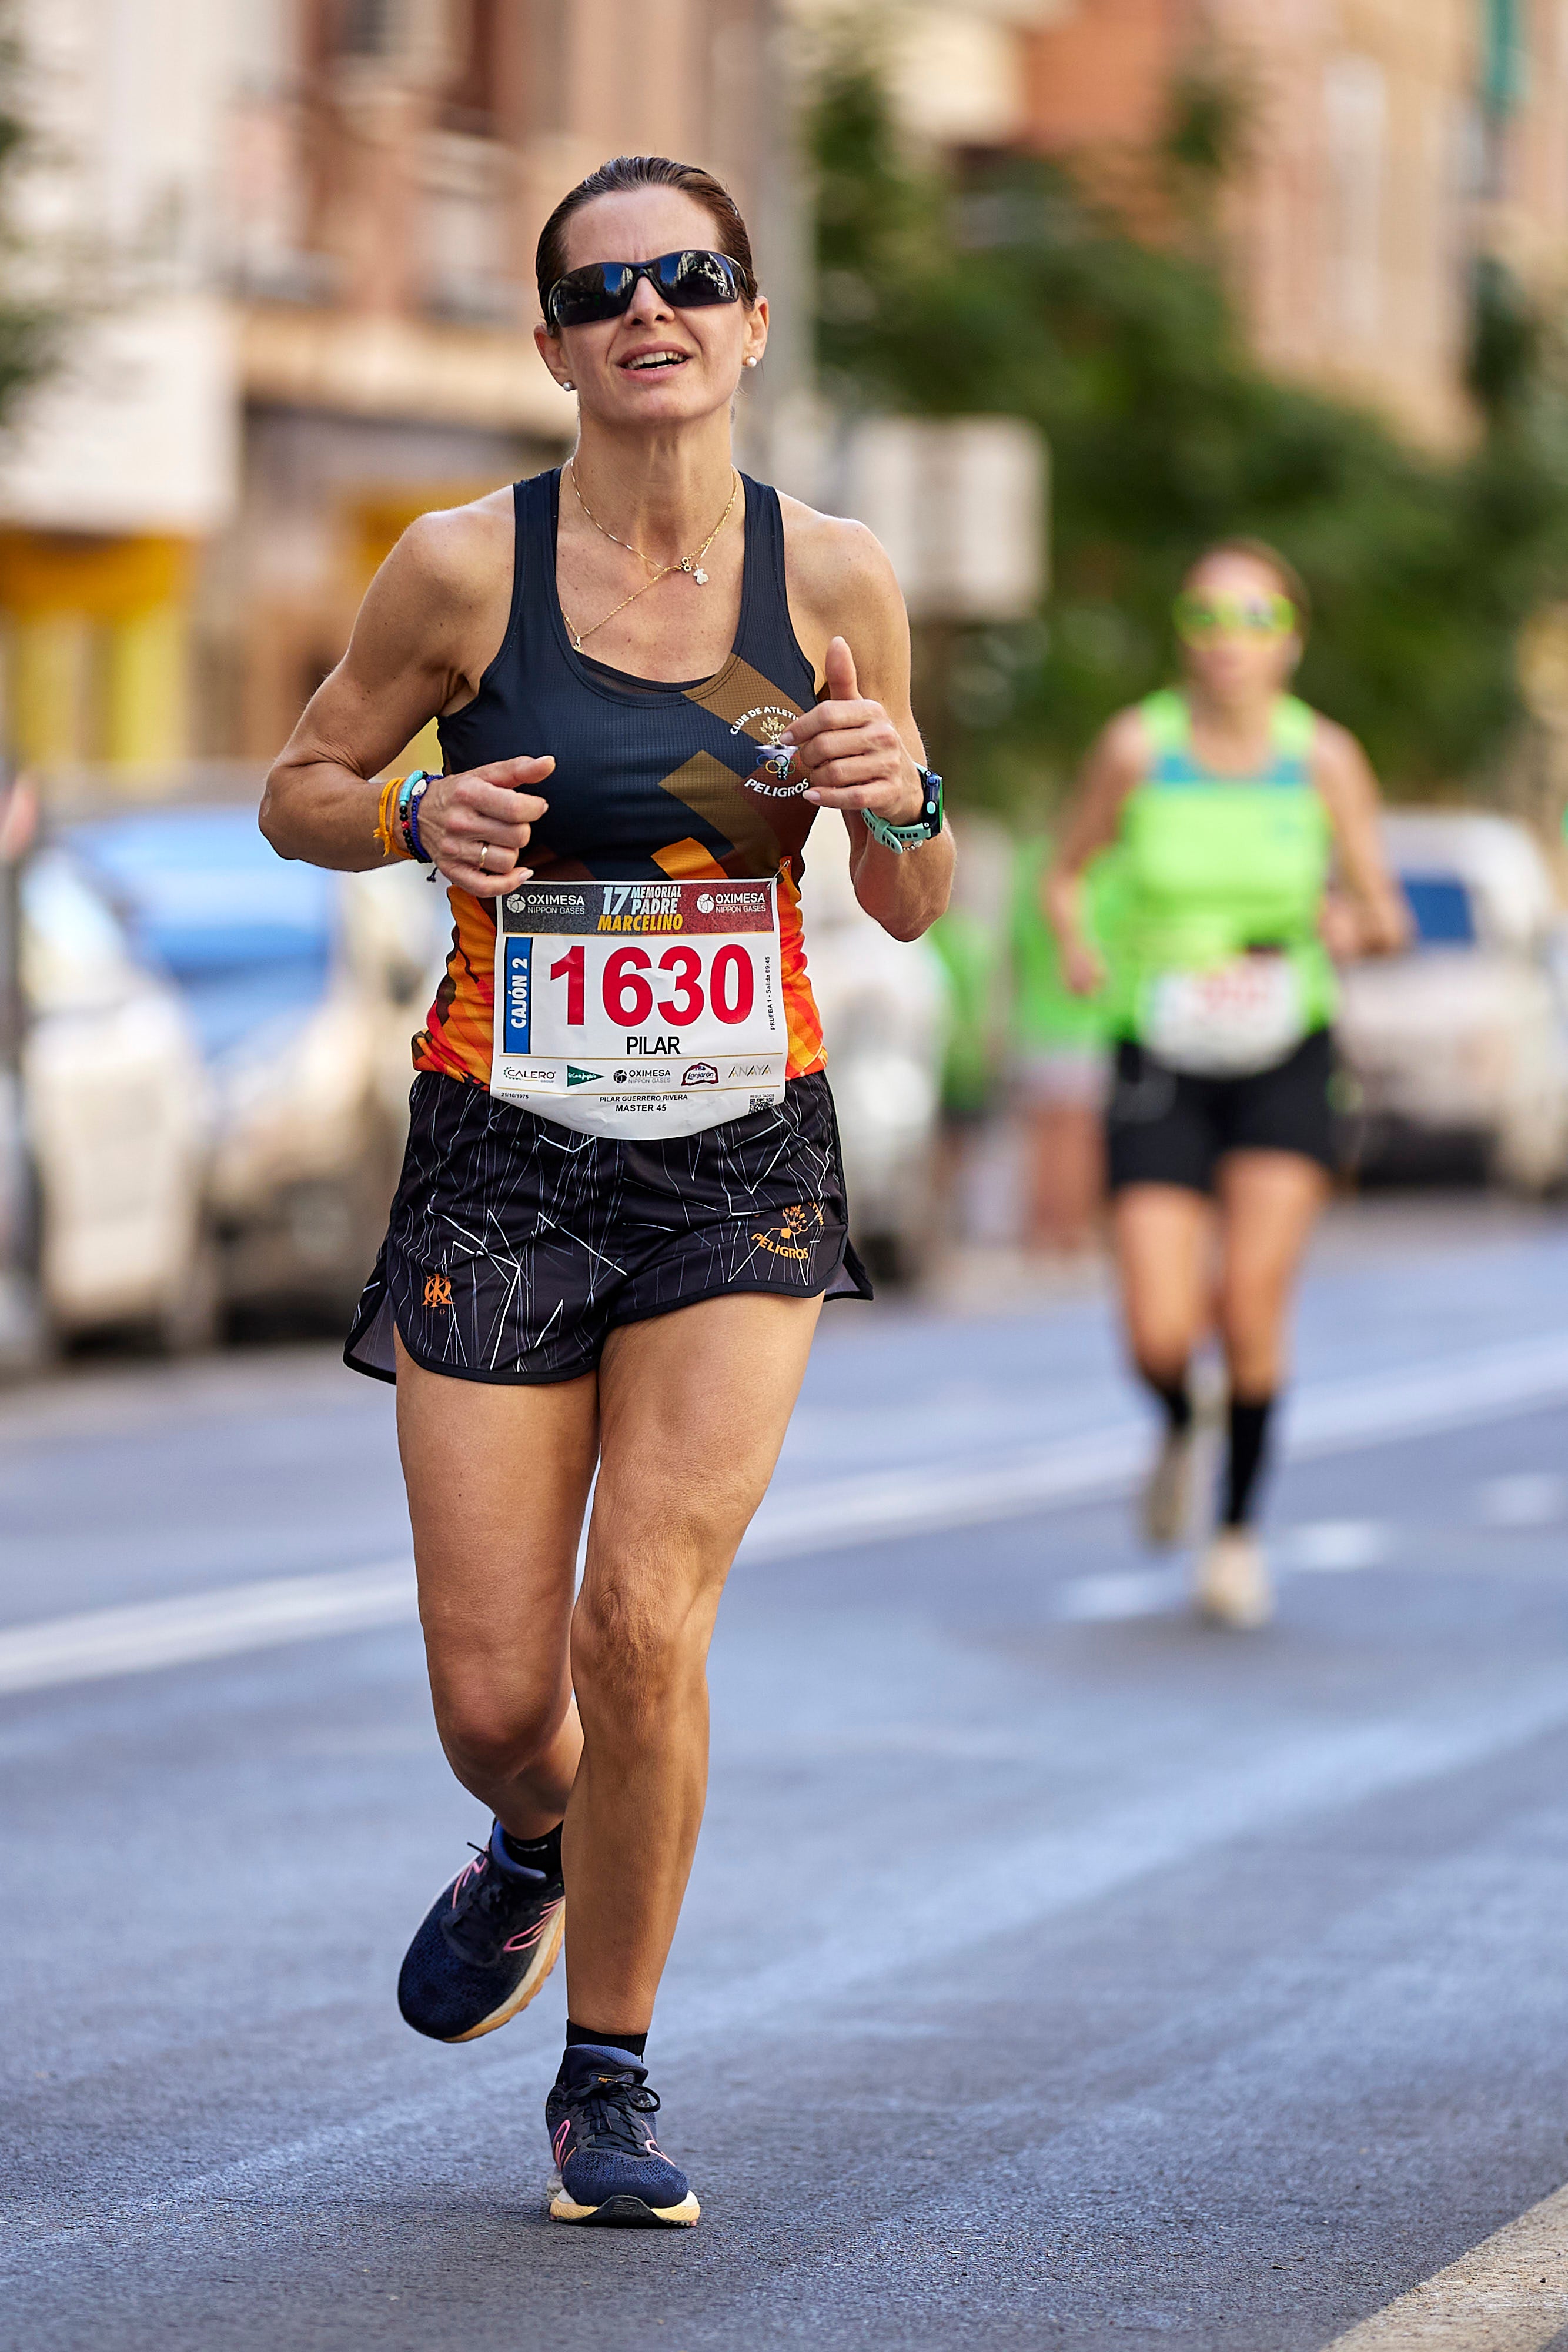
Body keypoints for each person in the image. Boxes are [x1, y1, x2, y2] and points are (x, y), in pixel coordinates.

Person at [260, 153, 952, 2226]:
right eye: (605, 287)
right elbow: (296, 788)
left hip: (735, 1155)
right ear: (553, 342)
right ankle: (534, 1839)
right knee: (501, 1701)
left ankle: (608, 2075)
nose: (650, 310)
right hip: (502, 1150)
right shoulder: (460, 573)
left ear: (749, 323)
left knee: (639, 1618)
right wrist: (406, 814)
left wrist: (893, 793)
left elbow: (913, 900)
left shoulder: (827, 579)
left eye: (694, 277)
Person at [1045, 540, 1406, 1627]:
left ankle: (1237, 1534)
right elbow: (1065, 873)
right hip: (1158, 1047)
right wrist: (1077, 944)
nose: (1227, 645)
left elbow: (1383, 911)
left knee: (1247, 1302)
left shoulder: (1323, 759)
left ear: (1289, 640)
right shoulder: (1136, 748)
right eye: (1205, 620)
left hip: (1283, 1048)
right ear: (1183, 639)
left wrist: (1350, 924)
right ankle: (1175, 1418)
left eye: (1251, 622)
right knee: (1159, 1332)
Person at [1009, 832, 1119, 1259]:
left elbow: (1015, 947)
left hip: (1035, 1019)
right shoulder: (1098, 868)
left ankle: (1042, 1231)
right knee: (1079, 1137)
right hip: (1084, 1019)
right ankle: (1071, 1233)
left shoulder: (1032, 863)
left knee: (1044, 1138)